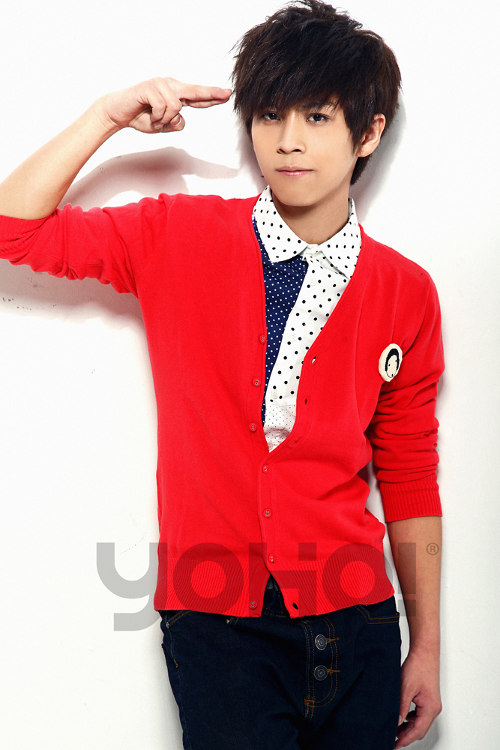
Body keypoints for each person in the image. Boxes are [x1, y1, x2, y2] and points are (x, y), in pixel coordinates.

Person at [0, 1, 443, 748]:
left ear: (367, 133)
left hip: (360, 622)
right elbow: (14, 227)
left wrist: (425, 644)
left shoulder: (405, 290)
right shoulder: (177, 237)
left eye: (317, 116)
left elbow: (408, 472)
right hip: (219, 624)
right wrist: (106, 116)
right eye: (270, 115)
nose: (288, 140)